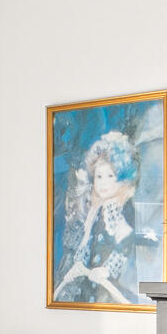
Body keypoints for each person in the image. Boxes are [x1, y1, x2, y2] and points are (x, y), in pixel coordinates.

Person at [56, 130, 148, 305]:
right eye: (99, 176)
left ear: (122, 179)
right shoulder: (97, 209)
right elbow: (86, 241)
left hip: (109, 285)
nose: (103, 182)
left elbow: (127, 240)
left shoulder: (120, 209)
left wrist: (107, 269)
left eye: (110, 176)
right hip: (91, 283)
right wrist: (79, 263)